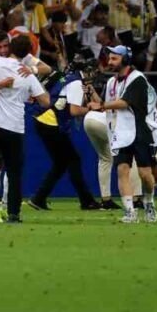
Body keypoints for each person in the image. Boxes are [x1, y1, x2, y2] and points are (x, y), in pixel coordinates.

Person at [0, 34, 51, 224]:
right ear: (28, 53)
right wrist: (31, 81)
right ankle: (14, 213)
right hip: (14, 128)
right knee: (14, 173)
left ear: (10, 48)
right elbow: (45, 101)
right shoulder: (27, 74)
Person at [88, 45, 157, 225]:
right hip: (121, 132)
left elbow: (123, 103)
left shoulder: (137, 79)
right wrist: (91, 92)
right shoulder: (112, 82)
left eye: (115, 58)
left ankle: (149, 201)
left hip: (140, 130)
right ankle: (130, 211)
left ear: (126, 59)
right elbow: (106, 103)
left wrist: (101, 105)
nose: (110, 62)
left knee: (145, 173)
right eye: (110, 58)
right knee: (122, 170)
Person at [26, 53, 101, 211]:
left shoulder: (69, 78)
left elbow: (96, 102)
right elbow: (74, 110)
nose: (94, 75)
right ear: (87, 70)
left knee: (62, 163)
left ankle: (39, 198)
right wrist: (90, 109)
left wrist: (91, 94)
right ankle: (86, 201)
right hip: (51, 123)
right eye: (93, 71)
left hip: (45, 121)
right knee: (73, 160)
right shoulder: (76, 83)